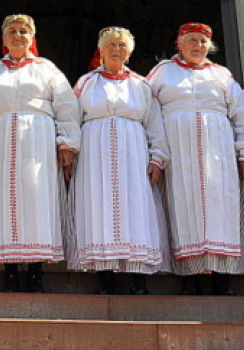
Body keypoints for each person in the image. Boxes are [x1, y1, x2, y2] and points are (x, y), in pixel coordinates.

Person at [146, 22, 244, 295]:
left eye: (202, 41)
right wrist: (156, 154)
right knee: (183, 209)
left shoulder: (221, 75)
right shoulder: (161, 73)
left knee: (221, 209)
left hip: (218, 151)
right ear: (179, 43)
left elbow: (242, 114)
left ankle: (223, 278)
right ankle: (189, 277)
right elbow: (148, 113)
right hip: (178, 152)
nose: (197, 46)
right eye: (192, 40)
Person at [0, 13, 79, 293]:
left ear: (32, 38)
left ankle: (36, 272)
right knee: (3, 202)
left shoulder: (48, 70)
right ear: (4, 39)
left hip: (38, 141)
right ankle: (9, 272)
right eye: (12, 31)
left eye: (24, 31)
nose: (18, 36)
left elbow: (66, 106)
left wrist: (66, 143)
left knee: (37, 201)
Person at [68, 26, 169, 295]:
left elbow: (155, 123)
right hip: (94, 154)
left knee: (135, 208)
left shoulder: (141, 85)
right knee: (98, 208)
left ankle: (138, 278)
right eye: (111, 45)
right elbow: (71, 119)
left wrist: (157, 157)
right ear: (100, 50)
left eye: (121, 45)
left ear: (130, 51)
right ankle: (105, 276)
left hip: (133, 153)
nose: (116, 50)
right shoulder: (86, 83)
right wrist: (69, 151)